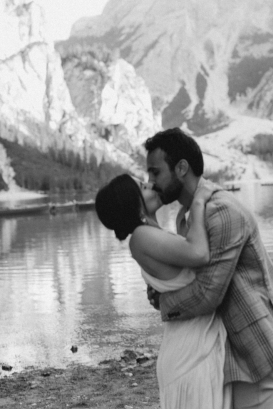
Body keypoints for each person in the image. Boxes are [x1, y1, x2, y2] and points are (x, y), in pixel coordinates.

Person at [144, 127, 273, 409]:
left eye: (155, 172)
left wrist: (163, 303)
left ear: (181, 168)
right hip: (226, 354)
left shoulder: (220, 211)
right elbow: (185, 280)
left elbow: (208, 293)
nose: (151, 181)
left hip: (255, 351)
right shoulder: (188, 216)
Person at [95, 173, 232, 409]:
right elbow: (199, 253)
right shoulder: (141, 237)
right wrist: (198, 202)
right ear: (133, 202)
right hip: (191, 352)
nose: (150, 184)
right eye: (142, 186)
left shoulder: (151, 235)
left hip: (195, 344)